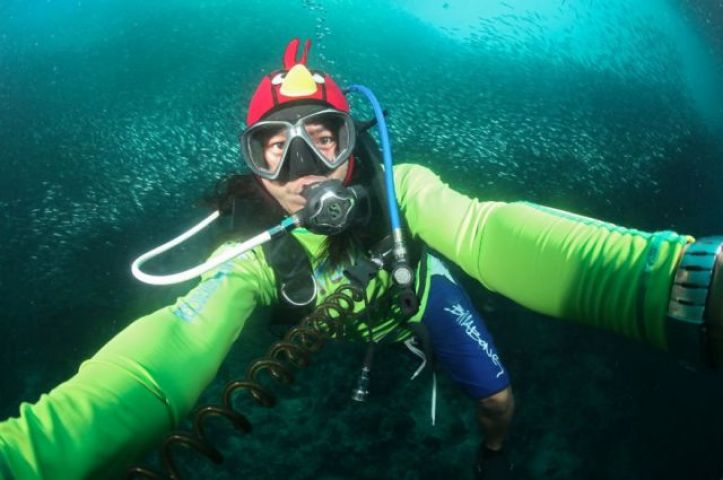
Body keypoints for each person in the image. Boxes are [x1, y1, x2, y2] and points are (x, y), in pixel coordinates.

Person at [0, 38, 721, 480]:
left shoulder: (403, 192)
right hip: (349, 326)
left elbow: (489, 230)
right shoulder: (248, 253)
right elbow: (171, 348)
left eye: (324, 137)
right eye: (275, 148)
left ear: (354, 145)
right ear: (252, 167)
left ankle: (491, 463)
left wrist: (672, 285)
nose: (305, 168)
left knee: (497, 401)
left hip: (414, 297)